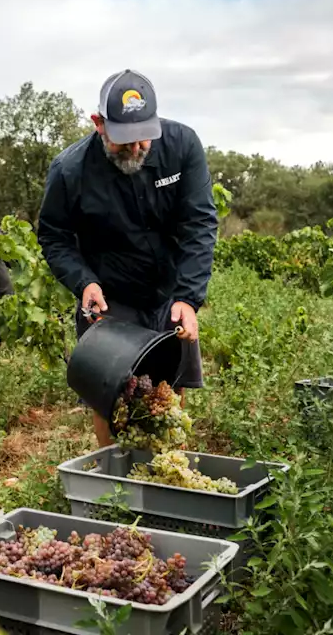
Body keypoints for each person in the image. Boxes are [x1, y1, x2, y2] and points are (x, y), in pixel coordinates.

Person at [37, 68, 218, 447]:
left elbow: (199, 224)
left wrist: (188, 297)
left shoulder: (182, 146)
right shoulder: (70, 170)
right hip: (109, 296)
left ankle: (171, 476)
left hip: (169, 291)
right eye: (124, 141)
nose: (135, 149)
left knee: (171, 390)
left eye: (143, 141)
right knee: (109, 397)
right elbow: (54, 237)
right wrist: (83, 281)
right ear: (99, 123)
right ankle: (113, 487)